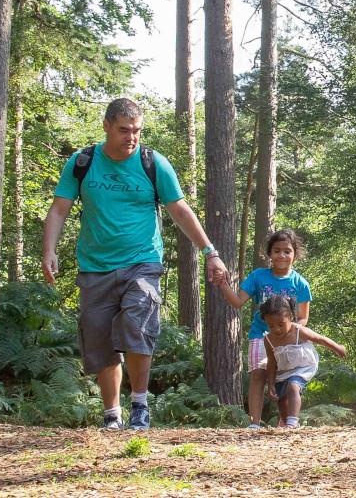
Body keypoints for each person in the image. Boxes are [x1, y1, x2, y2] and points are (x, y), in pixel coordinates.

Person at [41, 98, 224, 431]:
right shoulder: (82, 162)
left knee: (138, 323)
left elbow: (180, 210)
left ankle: (139, 404)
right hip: (94, 266)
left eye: (137, 131)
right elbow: (58, 210)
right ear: (107, 126)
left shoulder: (153, 163)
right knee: (99, 341)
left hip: (142, 261)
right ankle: (112, 414)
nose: (131, 137)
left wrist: (209, 251)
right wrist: (49, 250)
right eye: (124, 130)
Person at [208, 229, 345, 427]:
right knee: (258, 375)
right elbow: (237, 302)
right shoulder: (258, 276)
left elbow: (303, 317)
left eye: (287, 251)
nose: (282, 255)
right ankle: (254, 423)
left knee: (286, 382)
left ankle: (286, 421)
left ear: (294, 255)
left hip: (288, 342)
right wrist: (222, 285)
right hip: (260, 335)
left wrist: (291, 334)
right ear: (269, 254)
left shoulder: (300, 283)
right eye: (277, 251)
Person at [258, 295, 344, 429]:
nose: (277, 329)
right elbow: (271, 363)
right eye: (271, 326)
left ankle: (292, 421)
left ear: (291, 318)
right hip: (283, 370)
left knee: (293, 387)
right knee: (280, 398)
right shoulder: (268, 340)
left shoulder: (299, 331)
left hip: (302, 367)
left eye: (281, 324)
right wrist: (271, 384)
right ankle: (286, 421)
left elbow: (320, 339)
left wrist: (337, 348)